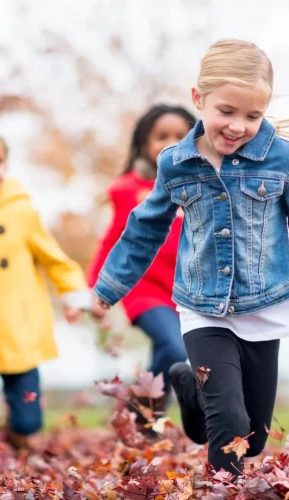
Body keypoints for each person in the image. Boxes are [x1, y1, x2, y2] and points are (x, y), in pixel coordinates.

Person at [93, 39, 289, 474]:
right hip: (203, 309)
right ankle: (223, 487)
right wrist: (108, 288)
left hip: (263, 305)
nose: (238, 125)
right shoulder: (176, 163)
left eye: (252, 116)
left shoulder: (280, 158)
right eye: (227, 111)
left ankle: (187, 386)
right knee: (230, 425)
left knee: (251, 436)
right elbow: (144, 228)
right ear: (199, 99)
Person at [0, 130, 103, 457]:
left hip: (19, 334)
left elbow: (55, 260)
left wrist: (72, 296)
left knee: (28, 421)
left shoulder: (21, 214)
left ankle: (16, 439)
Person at [88, 105, 196, 414]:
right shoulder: (127, 190)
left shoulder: (199, 185)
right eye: (161, 136)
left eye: (180, 135)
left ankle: (146, 416)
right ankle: (145, 406)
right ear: (143, 143)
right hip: (144, 288)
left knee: (172, 350)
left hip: (186, 288)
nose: (171, 142)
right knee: (175, 346)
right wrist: (97, 288)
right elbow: (111, 240)